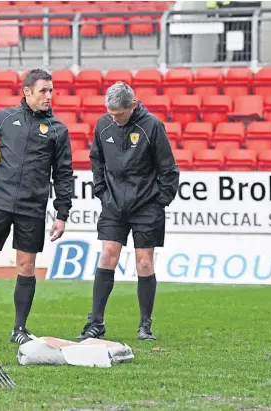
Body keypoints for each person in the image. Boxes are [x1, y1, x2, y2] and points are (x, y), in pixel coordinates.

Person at [0, 69, 73, 346]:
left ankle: (19, 328)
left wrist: (62, 214)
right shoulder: (5, 118)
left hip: (32, 207)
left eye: (51, 91)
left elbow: (64, 175)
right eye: (43, 91)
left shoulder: (57, 130)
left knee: (26, 265)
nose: (49, 96)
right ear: (27, 91)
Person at [76, 82, 180, 341]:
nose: (115, 118)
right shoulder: (103, 125)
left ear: (133, 106)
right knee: (107, 255)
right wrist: (101, 191)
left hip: (146, 206)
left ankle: (145, 325)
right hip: (113, 205)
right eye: (111, 113)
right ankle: (95, 323)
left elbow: (168, 168)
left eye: (120, 114)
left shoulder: (152, 126)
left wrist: (160, 202)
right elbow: (96, 160)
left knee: (144, 261)